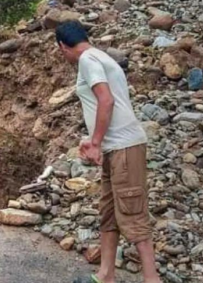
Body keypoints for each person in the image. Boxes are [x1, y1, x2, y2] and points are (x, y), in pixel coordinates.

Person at [55, 21, 161, 283]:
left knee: (133, 212)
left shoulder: (87, 60)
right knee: (110, 212)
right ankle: (106, 275)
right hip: (116, 147)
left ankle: (152, 279)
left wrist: (96, 143)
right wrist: (92, 139)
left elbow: (106, 100)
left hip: (123, 148)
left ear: (62, 46)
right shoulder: (99, 56)